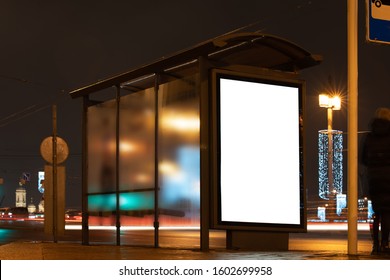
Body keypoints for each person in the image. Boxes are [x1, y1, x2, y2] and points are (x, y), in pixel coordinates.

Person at [362, 107, 390, 254]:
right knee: (387, 213)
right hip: (389, 179)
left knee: (377, 213)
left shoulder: (369, 137)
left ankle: (375, 246)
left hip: (374, 179)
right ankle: (385, 244)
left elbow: (363, 158)